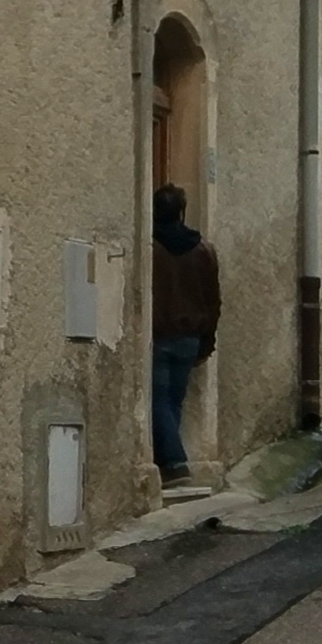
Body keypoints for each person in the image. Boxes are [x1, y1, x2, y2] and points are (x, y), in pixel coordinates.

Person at [145, 184, 220, 489]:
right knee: (173, 401)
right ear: (181, 211)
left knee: (160, 401)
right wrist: (208, 339)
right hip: (190, 336)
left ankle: (174, 464)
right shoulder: (203, 249)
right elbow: (213, 298)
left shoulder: (150, 248)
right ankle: (170, 464)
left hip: (161, 335)